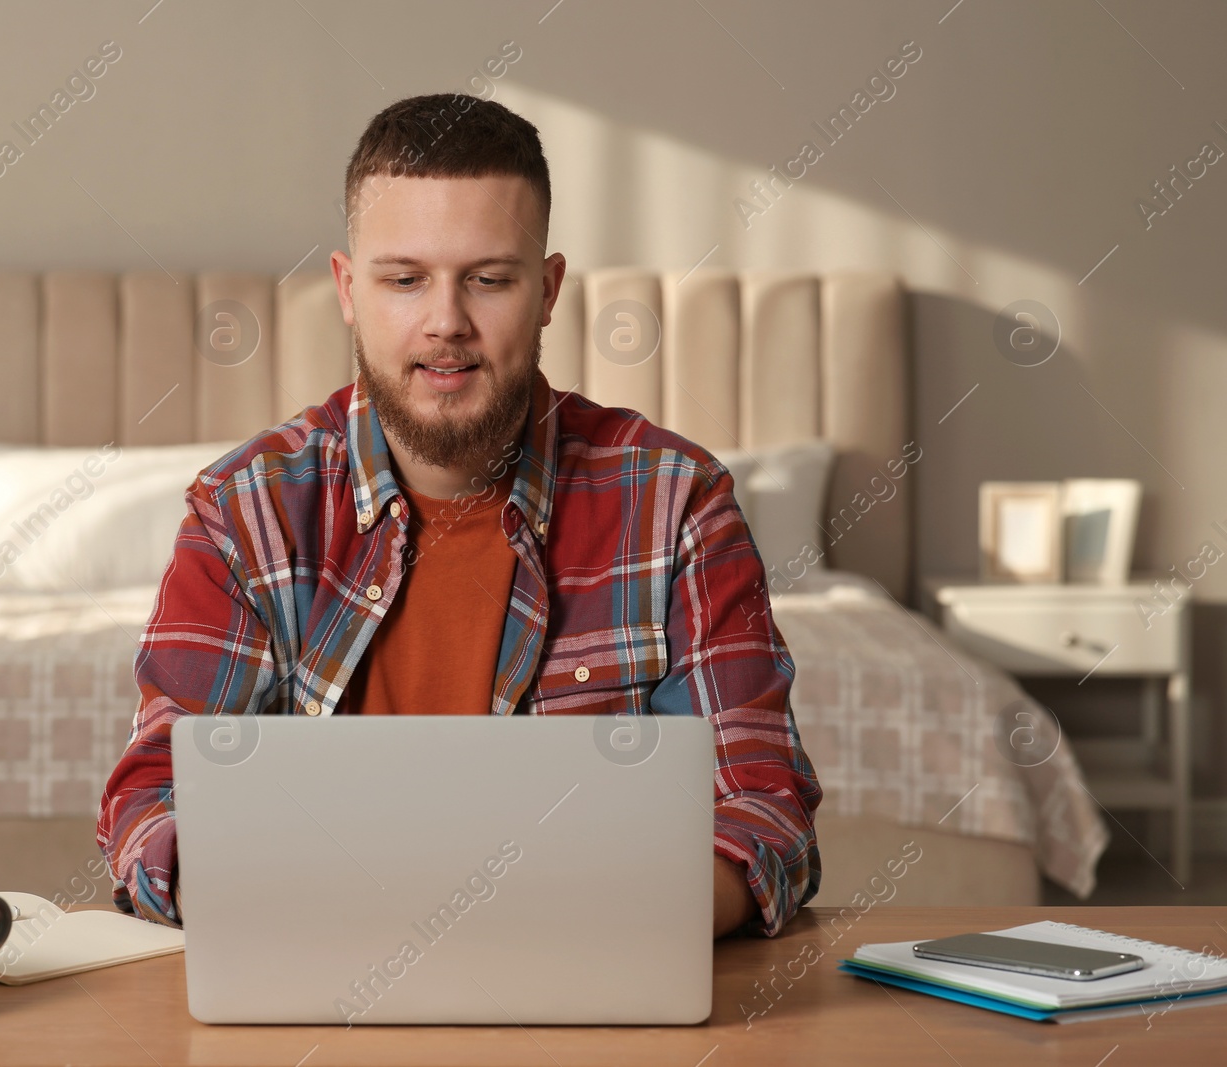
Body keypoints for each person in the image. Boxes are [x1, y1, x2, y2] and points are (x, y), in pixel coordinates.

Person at [97, 93, 820, 938]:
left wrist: (587, 926)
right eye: (404, 280)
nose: (447, 323)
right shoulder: (245, 514)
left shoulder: (677, 503)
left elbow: (762, 809)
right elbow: (154, 801)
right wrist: (274, 899)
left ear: (547, 291)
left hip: (592, 989)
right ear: (347, 289)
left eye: (489, 279)